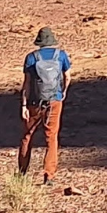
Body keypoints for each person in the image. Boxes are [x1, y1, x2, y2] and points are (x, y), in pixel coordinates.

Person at [17, 27, 72, 184]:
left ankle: (22, 173)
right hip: (54, 100)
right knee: (51, 137)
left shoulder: (31, 58)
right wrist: (63, 92)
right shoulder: (61, 55)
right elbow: (67, 77)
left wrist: (24, 105)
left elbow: (27, 84)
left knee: (27, 136)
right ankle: (49, 174)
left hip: (34, 102)